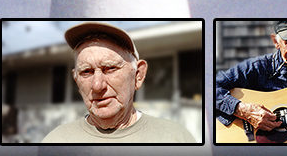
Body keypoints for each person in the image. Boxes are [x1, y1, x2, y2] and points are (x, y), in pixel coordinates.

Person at [42, 22, 196, 143]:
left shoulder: (176, 138)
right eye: (86, 72)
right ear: (76, 80)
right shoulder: (55, 142)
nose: (97, 85)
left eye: (109, 68)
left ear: (138, 75)